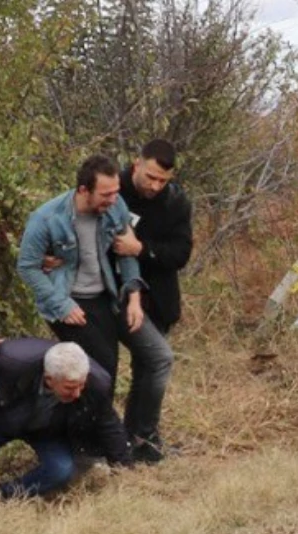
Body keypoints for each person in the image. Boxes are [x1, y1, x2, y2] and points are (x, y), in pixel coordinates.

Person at [25, 153, 174, 463]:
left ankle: (111, 444)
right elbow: (27, 267)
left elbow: (125, 253)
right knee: (97, 371)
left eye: (116, 192)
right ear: (84, 190)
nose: (113, 200)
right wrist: (60, 304)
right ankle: (90, 450)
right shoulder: (46, 218)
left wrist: (133, 291)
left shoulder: (114, 206)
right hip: (67, 301)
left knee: (108, 370)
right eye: (106, 194)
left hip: (105, 295)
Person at [0, 339, 133, 524]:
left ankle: (8, 493)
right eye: (70, 388)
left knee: (61, 470)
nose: (78, 393)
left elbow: (109, 424)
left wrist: (124, 468)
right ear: (50, 378)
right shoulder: (12, 359)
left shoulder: (97, 382)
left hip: (46, 429)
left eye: (81, 385)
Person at [113, 139, 193, 462]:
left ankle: (140, 440)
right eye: (151, 177)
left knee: (147, 368)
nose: (155, 185)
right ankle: (118, 442)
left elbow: (181, 253)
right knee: (156, 359)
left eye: (163, 180)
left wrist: (142, 249)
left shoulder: (176, 203)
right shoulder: (112, 189)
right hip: (112, 296)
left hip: (157, 297)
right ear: (137, 164)